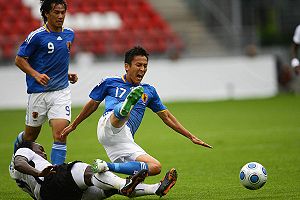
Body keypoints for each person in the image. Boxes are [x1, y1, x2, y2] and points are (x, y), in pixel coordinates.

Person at [61, 46, 212, 177]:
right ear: (127, 66)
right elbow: (92, 105)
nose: (142, 69)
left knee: (155, 167)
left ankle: (106, 166)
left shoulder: (149, 91)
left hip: (123, 140)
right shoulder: (110, 82)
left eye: (145, 66)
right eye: (138, 65)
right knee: (121, 113)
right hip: (108, 124)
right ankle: (126, 106)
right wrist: (74, 125)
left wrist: (190, 136)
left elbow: (166, 117)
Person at [14, 0, 78, 165]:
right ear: (46, 14)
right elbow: (19, 59)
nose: (60, 16)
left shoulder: (69, 33)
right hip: (39, 92)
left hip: (61, 92)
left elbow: (57, 57)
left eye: (63, 12)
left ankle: (56, 176)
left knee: (61, 135)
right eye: (56, 12)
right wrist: (36, 75)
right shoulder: (37, 36)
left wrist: (66, 74)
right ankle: (18, 151)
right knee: (30, 138)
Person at [9, 141, 176, 199]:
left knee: (108, 186)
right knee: (84, 169)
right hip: (51, 181)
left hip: (51, 196)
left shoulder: (18, 177)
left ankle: (155, 189)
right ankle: (124, 185)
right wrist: (39, 172)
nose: (43, 152)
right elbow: (19, 162)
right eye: (40, 148)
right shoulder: (23, 151)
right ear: (29, 148)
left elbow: (18, 168)